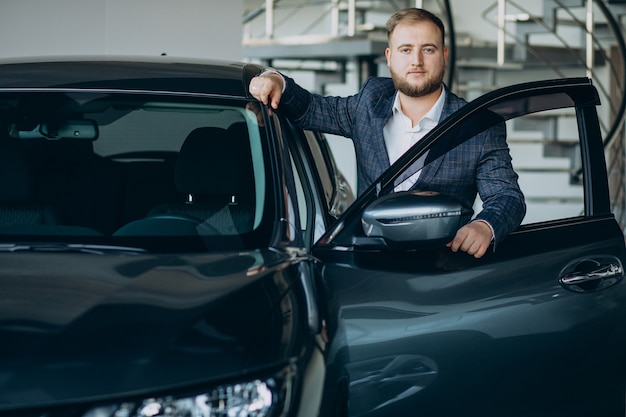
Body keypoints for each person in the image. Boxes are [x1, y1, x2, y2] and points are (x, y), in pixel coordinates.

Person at [249, 7, 525, 259]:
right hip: (368, 267)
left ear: (444, 55)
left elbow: (507, 197)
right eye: (406, 50)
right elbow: (310, 109)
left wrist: (484, 226)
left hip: (444, 274)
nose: (416, 61)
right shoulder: (368, 103)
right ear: (390, 58)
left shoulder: (477, 125)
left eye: (427, 49)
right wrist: (276, 80)